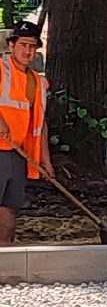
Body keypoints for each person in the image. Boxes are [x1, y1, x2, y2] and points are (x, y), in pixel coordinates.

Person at [0, 22, 51, 245]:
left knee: (9, 210)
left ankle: (5, 260)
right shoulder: (1, 70)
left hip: (18, 154)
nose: (27, 51)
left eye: (32, 46)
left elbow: (40, 124)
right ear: (11, 45)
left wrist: (45, 161)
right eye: (23, 45)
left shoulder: (37, 83)